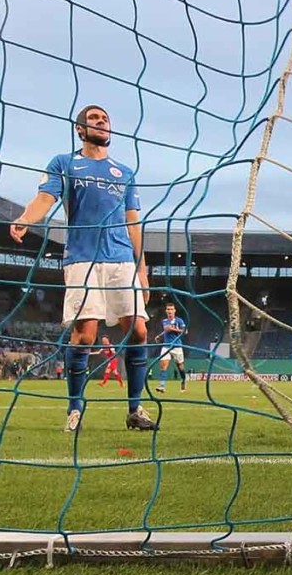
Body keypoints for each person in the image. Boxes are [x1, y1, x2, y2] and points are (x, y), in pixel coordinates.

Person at [10, 104, 157, 431]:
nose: (102, 122)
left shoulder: (125, 172)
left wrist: (142, 269)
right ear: (80, 129)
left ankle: (135, 410)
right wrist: (25, 218)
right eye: (94, 119)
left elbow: (134, 223)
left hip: (121, 260)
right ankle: (74, 409)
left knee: (139, 329)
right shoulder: (64, 163)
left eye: (105, 119)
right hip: (82, 260)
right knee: (84, 335)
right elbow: (44, 200)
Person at [156, 302, 187, 393]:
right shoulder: (165, 321)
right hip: (166, 346)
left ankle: (183, 380)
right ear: (166, 311)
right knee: (163, 365)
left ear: (174, 311)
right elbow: (166, 330)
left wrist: (173, 329)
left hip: (177, 346)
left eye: (171, 309)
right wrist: (160, 335)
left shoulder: (179, 321)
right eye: (168, 309)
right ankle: (162, 386)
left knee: (180, 366)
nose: (170, 311)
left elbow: (185, 332)